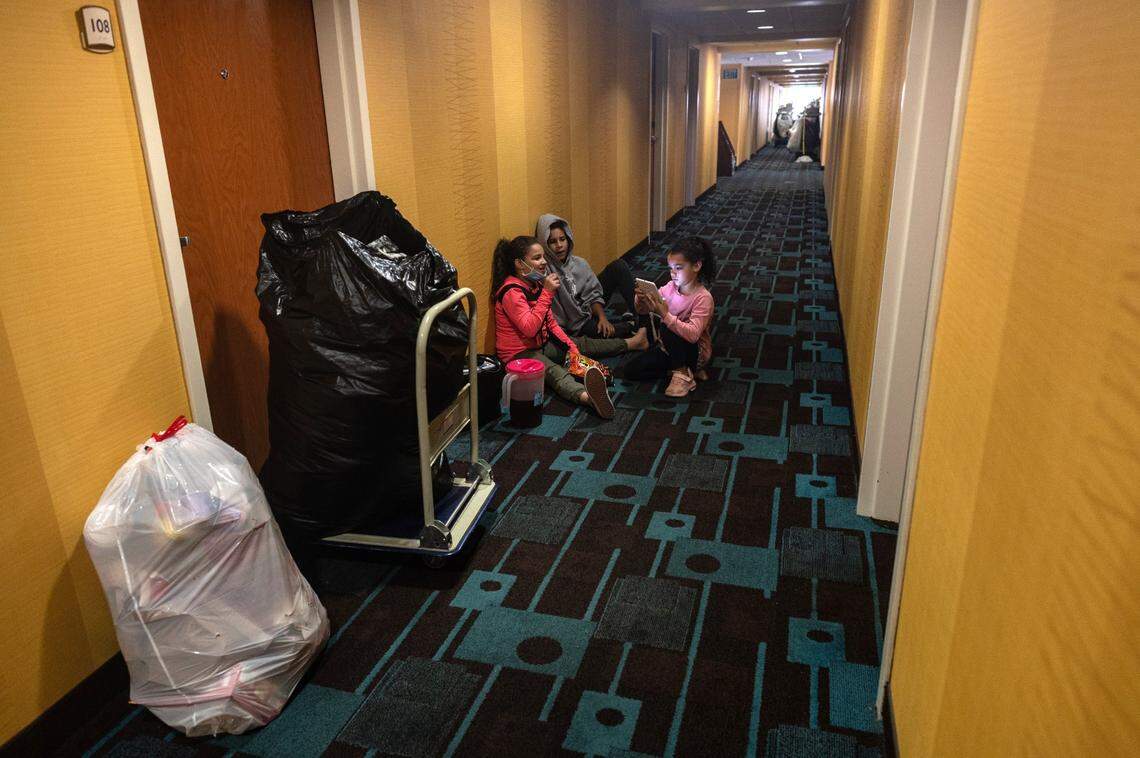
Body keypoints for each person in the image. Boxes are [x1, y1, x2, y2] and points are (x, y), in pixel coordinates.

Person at [492, 236, 648, 418]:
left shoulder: (534, 284)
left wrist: (571, 348)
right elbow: (530, 328)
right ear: (519, 264)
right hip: (518, 354)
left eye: (543, 257)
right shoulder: (512, 291)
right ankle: (588, 397)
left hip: (539, 343)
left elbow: (550, 323)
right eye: (536, 258)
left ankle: (632, 343)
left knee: (581, 344)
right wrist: (547, 293)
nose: (543, 262)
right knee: (555, 371)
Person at [625, 236, 716, 397]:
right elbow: (643, 311)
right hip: (668, 348)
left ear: (696, 266)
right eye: (671, 268)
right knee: (632, 371)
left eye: (679, 268)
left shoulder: (703, 298)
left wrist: (664, 314)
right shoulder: (671, 287)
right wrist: (641, 299)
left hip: (695, 352)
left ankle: (684, 371)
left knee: (667, 324)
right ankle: (682, 370)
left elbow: (693, 335)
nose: (673, 273)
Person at [535, 214, 638, 339]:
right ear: (544, 244)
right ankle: (632, 326)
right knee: (604, 332)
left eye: (562, 239)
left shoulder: (579, 263)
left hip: (589, 308)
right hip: (574, 321)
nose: (559, 245)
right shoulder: (544, 270)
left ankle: (640, 315)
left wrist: (602, 317)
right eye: (552, 242)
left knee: (618, 266)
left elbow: (592, 294)